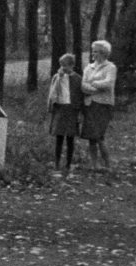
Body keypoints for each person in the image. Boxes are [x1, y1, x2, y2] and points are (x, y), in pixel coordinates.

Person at [80, 39, 118, 173]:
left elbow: (108, 83)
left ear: (103, 53)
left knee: (99, 135)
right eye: (93, 51)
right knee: (91, 136)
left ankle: (108, 165)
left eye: (96, 52)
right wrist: (96, 87)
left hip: (103, 105)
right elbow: (83, 86)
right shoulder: (88, 67)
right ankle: (94, 165)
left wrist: (93, 85)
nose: (93, 54)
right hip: (89, 105)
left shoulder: (110, 67)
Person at [45, 53, 84, 175]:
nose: (63, 68)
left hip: (72, 110)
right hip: (60, 109)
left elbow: (79, 95)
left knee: (70, 138)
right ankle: (56, 163)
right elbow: (52, 93)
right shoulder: (57, 77)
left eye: (66, 65)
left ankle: (68, 164)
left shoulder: (78, 79)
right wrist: (51, 106)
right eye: (61, 65)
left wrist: (79, 112)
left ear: (72, 65)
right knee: (59, 137)